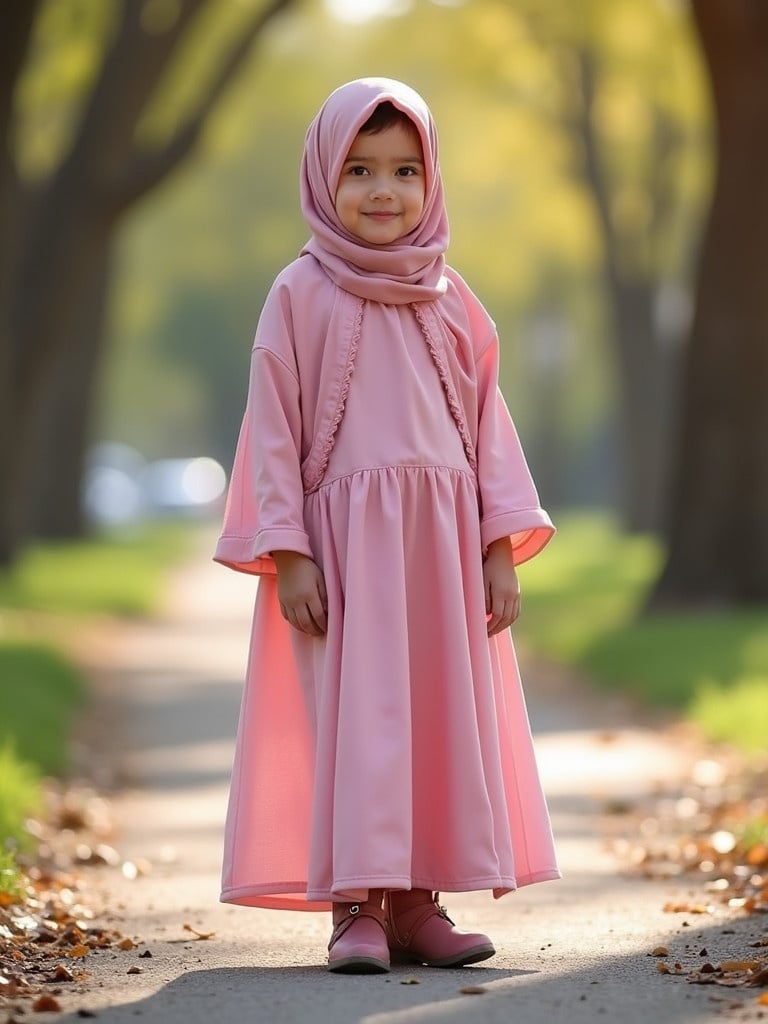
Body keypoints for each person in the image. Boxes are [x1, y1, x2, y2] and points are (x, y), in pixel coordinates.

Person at [214, 77, 559, 975]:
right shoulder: (299, 293)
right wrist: (289, 553)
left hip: (438, 556)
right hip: (346, 555)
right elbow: (275, 431)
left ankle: (420, 903)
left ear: (432, 181)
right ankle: (357, 906)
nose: (383, 191)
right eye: (360, 169)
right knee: (360, 719)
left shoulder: (451, 298)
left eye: (406, 171)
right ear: (324, 177)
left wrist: (497, 550)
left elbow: (488, 428)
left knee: (438, 718)